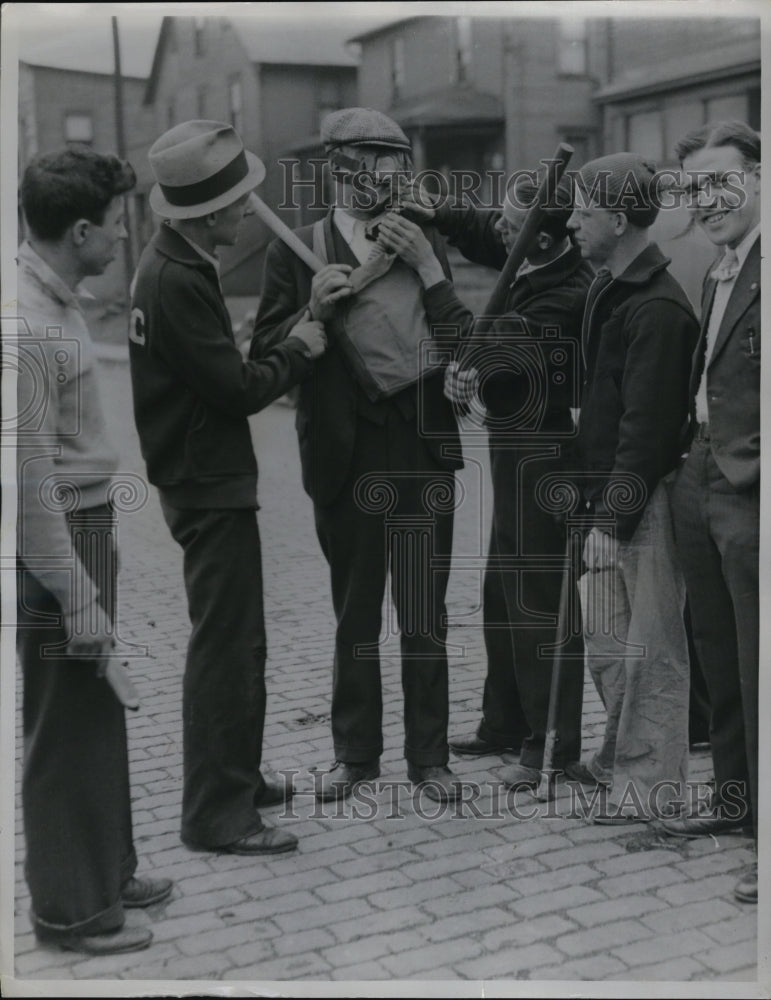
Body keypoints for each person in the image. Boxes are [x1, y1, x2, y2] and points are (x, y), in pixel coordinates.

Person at [251, 107, 464, 803]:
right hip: (344, 456)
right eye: (368, 165)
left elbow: (457, 335)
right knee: (356, 614)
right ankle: (355, 756)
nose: (382, 179)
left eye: (392, 165)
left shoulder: (420, 234)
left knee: (423, 611)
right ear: (336, 169)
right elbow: (266, 357)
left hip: (421, 446)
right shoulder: (296, 247)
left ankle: (429, 759)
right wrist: (309, 309)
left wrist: (430, 266)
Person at [129, 121, 326, 854]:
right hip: (207, 485)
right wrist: (301, 347)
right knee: (226, 647)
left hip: (198, 477)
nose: (249, 212)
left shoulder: (172, 261)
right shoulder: (177, 278)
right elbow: (239, 389)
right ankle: (216, 813)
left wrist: (286, 331)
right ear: (209, 214)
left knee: (241, 641)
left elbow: (215, 369)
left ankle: (237, 776)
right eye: (240, 201)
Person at [377, 170, 592, 790]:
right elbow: (484, 230)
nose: (500, 230)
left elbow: (476, 342)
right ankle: (504, 721)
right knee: (501, 591)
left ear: (548, 242)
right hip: (512, 445)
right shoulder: (538, 256)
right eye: (502, 217)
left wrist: (430, 270)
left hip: (548, 454)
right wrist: (438, 210)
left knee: (537, 602)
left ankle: (549, 746)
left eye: (512, 225)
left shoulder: (563, 296)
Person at [16, 147, 172, 955]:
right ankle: (72, 912)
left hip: (87, 528)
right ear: (79, 231)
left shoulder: (55, 297)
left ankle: (108, 869)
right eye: (116, 226)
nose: (122, 239)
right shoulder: (28, 324)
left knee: (96, 710)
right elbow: (27, 487)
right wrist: (77, 597)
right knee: (64, 723)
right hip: (61, 542)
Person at [565, 153, 699, 822]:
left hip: (640, 507)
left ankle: (651, 792)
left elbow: (646, 435)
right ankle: (622, 760)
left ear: (616, 220)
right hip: (603, 501)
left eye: (581, 212)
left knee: (650, 654)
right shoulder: (606, 289)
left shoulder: (658, 310)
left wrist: (608, 523)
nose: (570, 222)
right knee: (609, 649)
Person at [658, 121, 760, 905]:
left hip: (751, 489)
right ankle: (734, 803)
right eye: (692, 188)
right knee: (718, 652)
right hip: (701, 475)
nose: (706, 200)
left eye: (720, 181)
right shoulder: (718, 270)